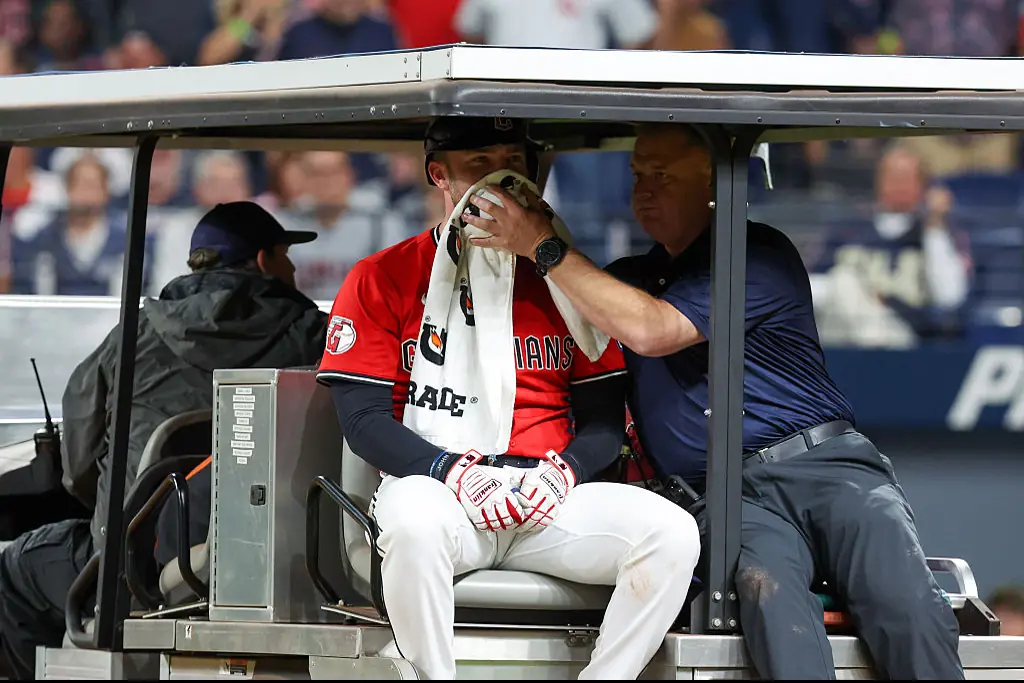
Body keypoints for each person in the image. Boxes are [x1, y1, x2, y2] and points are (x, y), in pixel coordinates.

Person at [467, 122, 965, 680]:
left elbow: (653, 329)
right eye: (637, 175)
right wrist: (526, 191)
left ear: (714, 184)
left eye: (662, 175)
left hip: (825, 468)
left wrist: (542, 242)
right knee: (766, 597)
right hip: (726, 497)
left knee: (905, 601)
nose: (644, 191)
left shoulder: (758, 252)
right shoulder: (625, 280)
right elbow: (559, 310)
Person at [317, 116, 700, 681]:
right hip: (440, 487)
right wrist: (453, 473)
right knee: (413, 524)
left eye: (514, 162)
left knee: (671, 532)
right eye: (479, 164)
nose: (500, 178)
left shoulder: (568, 279)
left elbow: (602, 421)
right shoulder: (385, 276)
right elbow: (362, 420)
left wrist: (564, 473)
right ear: (438, 174)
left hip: (543, 497)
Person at [0, 201, 328, 680]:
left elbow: (78, 466)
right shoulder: (317, 338)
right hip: (281, 562)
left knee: (16, 569)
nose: (294, 267)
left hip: (134, 570)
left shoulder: (134, 337)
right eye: (285, 254)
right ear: (263, 261)